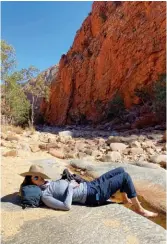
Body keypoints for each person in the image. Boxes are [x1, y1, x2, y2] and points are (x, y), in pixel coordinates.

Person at [19, 164, 158, 217]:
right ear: (31, 180)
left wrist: (68, 180)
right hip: (93, 195)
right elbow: (66, 206)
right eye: (36, 177)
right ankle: (139, 209)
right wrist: (70, 187)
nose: (41, 179)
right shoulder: (45, 196)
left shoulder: (46, 184)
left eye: (41, 176)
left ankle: (124, 198)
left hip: (91, 185)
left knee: (121, 169)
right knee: (125, 177)